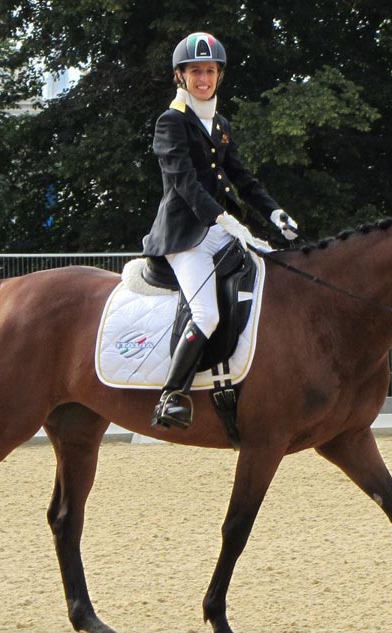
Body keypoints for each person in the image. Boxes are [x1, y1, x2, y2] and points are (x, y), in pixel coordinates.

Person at [143, 31, 299, 430]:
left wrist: (274, 212)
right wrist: (221, 218)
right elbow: (184, 182)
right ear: (181, 76)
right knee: (206, 313)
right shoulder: (171, 122)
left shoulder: (219, 124)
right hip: (185, 236)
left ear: (219, 76)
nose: (203, 79)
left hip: (221, 230)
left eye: (210, 71)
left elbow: (241, 177)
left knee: (274, 279)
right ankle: (171, 395)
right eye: (196, 71)